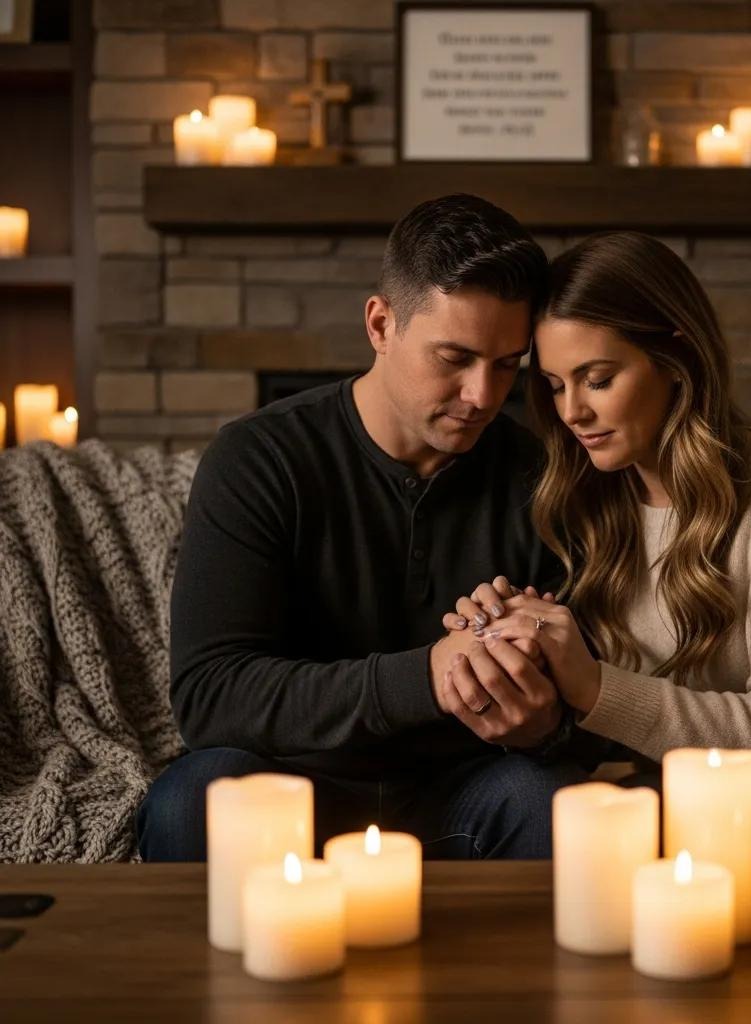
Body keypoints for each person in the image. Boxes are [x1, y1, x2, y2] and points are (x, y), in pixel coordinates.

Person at [444, 231, 751, 854]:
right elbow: (592, 724)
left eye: (597, 379)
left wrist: (594, 685)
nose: (572, 413)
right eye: (555, 385)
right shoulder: (585, 496)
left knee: (608, 827)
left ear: (676, 360)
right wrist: (519, 647)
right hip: (658, 790)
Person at [136, 194, 590, 863]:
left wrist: (543, 723)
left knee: (562, 806)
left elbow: (587, 714)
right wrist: (427, 676)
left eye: (506, 365)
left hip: (464, 787)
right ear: (380, 325)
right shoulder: (259, 458)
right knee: (192, 799)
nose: (483, 397)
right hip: (295, 784)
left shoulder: (542, 475)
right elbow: (210, 698)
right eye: (454, 357)